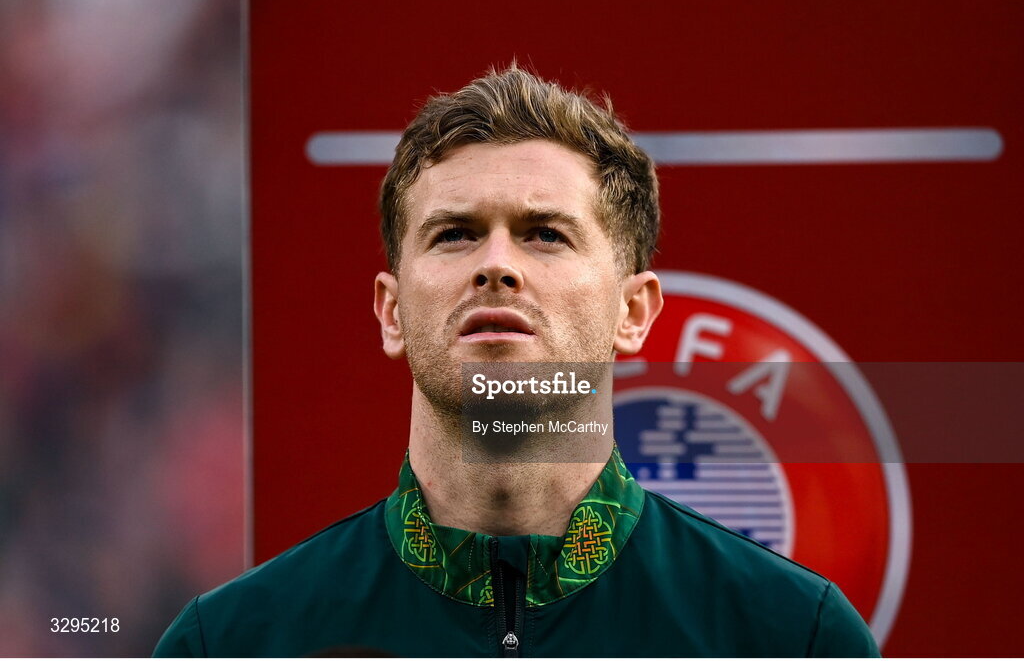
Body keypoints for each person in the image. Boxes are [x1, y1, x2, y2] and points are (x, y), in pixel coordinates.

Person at [154, 65, 880, 657]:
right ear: (390, 311)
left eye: (545, 234)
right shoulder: (232, 642)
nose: (496, 264)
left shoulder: (793, 636)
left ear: (633, 313)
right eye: (454, 234)